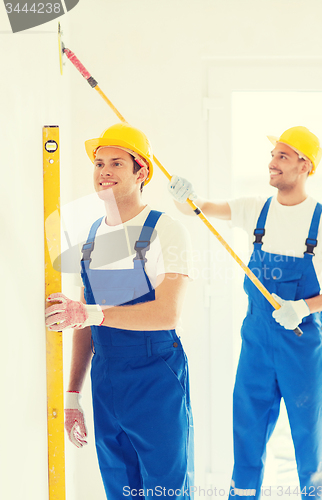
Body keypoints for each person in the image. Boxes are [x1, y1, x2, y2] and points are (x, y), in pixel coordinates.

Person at [167, 126, 322, 499]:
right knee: (247, 432)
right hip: (256, 342)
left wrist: (304, 306)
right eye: (273, 155)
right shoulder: (254, 209)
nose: (271, 163)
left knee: (310, 436)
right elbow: (199, 210)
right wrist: (183, 197)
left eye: (282, 156)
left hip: (301, 344)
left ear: (305, 166)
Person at [45, 123, 194, 500]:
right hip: (107, 379)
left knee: (166, 491)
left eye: (116, 163)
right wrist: (72, 393)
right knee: (120, 490)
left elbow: (167, 314)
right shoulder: (92, 235)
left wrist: (88, 313)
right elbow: (86, 318)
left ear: (141, 171)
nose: (104, 171)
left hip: (155, 377)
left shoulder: (166, 230)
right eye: (98, 163)